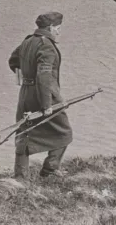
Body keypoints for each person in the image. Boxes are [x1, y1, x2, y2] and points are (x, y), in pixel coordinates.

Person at [8, 12, 72, 178]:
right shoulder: (47, 45)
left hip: (25, 94)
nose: (58, 32)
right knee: (64, 131)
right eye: (58, 28)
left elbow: (13, 61)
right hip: (43, 94)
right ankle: (50, 168)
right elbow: (44, 76)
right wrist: (46, 104)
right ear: (51, 27)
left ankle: (20, 176)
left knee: (24, 132)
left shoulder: (27, 41)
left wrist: (24, 78)